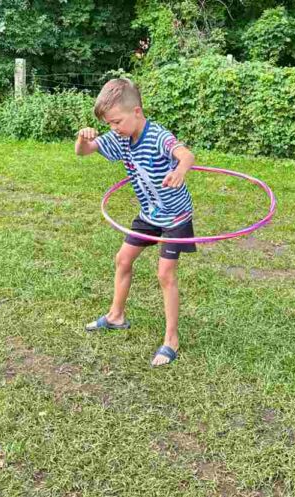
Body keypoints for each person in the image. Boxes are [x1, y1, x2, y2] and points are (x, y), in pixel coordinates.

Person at [75, 78, 195, 367]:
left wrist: (180, 170)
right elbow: (83, 152)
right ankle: (116, 316)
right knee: (123, 259)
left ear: (137, 112)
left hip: (175, 215)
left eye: (117, 121)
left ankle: (171, 339)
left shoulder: (157, 136)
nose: (114, 128)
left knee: (165, 274)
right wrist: (83, 138)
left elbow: (186, 154)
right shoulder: (120, 138)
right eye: (110, 124)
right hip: (149, 214)